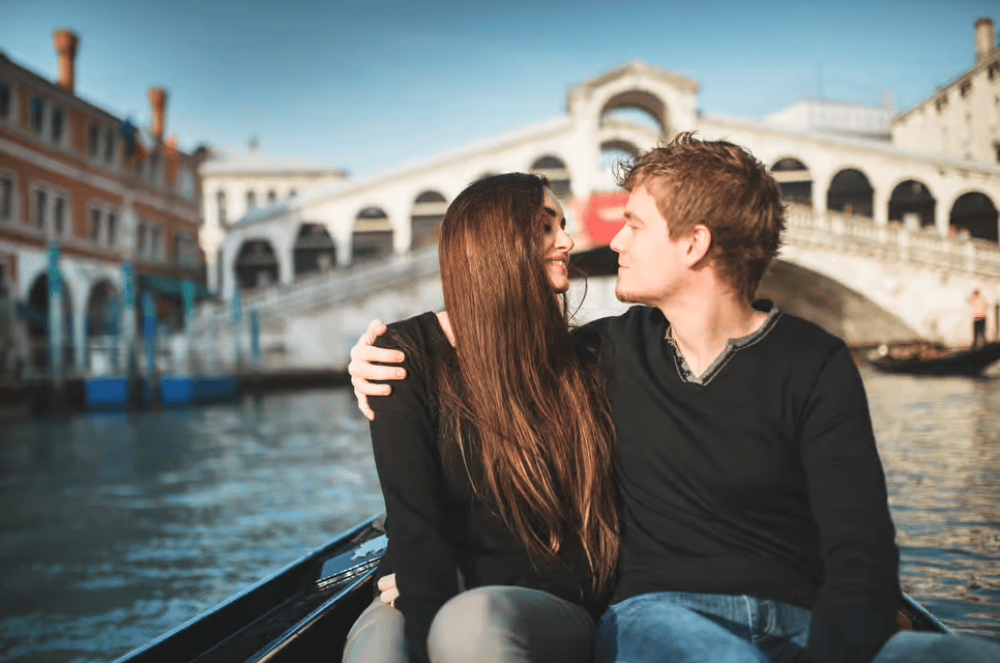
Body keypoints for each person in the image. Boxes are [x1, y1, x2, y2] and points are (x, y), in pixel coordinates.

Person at [350, 134, 1000, 662]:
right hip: (652, 616)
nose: (606, 241)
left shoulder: (810, 359)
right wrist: (387, 358)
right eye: (555, 225)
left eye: (632, 222)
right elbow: (487, 343)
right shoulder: (602, 350)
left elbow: (859, 548)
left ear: (693, 244)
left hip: (792, 621)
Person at [342, 173, 620, 663]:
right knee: (379, 652)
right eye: (545, 226)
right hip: (424, 583)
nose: (568, 241)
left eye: (562, 224)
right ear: (497, 244)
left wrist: (464, 589)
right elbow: (415, 527)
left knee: (472, 625)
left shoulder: (592, 358)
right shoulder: (402, 355)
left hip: (547, 604)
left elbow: (588, 547)